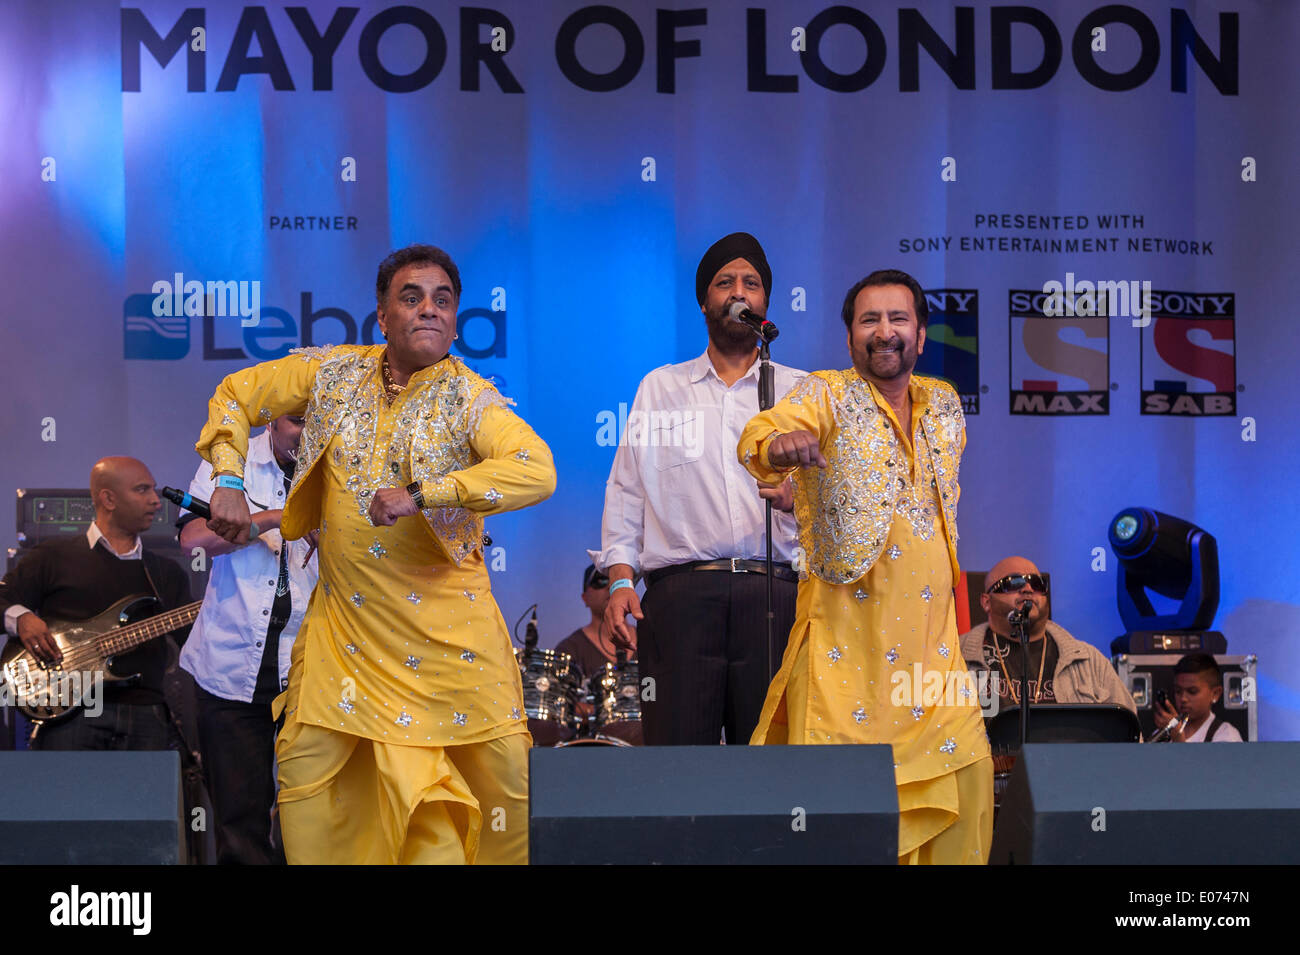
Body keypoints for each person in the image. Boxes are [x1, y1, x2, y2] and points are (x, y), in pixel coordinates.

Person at [195, 244, 556, 865]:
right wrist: (228, 477)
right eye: (411, 298)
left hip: (451, 654)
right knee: (319, 801)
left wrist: (426, 492)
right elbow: (235, 393)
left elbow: (536, 471)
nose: (429, 311)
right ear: (382, 316)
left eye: (443, 300)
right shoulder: (332, 374)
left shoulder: (471, 400)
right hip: (348, 646)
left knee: (483, 809)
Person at [738, 268, 991, 865]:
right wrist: (779, 451)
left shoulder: (946, 406)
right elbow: (762, 434)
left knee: (969, 797)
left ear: (922, 336)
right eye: (868, 320)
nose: (884, 332)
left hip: (933, 658)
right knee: (850, 822)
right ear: (850, 336)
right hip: (850, 656)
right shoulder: (823, 393)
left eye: (898, 318)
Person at [595, 232, 805, 746]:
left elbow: (836, 500)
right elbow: (627, 493)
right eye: (725, 282)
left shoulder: (802, 390)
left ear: (765, 304)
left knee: (773, 769)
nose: (739, 292)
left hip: (777, 594)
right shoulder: (659, 388)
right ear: (704, 301)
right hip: (681, 599)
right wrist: (621, 581)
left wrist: (802, 499)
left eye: (751, 283)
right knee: (680, 766)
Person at [177, 414, 320, 864]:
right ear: (271, 420)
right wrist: (277, 518)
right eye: (298, 421)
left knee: (315, 814)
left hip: (312, 669)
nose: (307, 430)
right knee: (239, 820)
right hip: (229, 666)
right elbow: (193, 540)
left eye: (318, 420)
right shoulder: (230, 463)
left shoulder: (342, 464)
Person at [0, 457, 192, 751]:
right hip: (72, 712)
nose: (155, 500)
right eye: (142, 490)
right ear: (108, 499)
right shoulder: (52, 556)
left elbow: (195, 643)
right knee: (69, 797)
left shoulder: (165, 572)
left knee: (144, 798)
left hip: (146, 711)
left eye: (154, 491)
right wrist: (22, 618)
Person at [959, 557, 1136, 713]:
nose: (1028, 589)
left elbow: (1128, 733)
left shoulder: (1089, 661)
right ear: (987, 602)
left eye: (1036, 584)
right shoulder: (957, 657)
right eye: (1013, 583)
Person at [554, 564, 634, 681]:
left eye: (616, 581)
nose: (609, 586)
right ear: (585, 598)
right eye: (600, 581)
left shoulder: (651, 639)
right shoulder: (569, 650)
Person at [1155, 653, 1243, 742]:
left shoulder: (1226, 735)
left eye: (1192, 691)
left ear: (1215, 694)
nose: (1183, 698)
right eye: (1178, 691)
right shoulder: (1163, 734)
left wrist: (1178, 738)